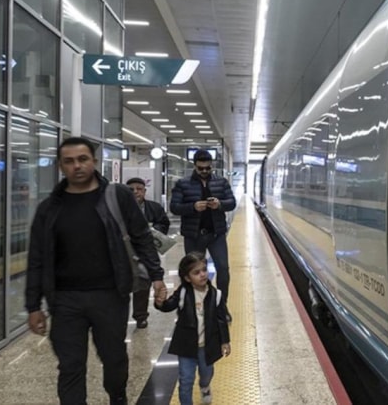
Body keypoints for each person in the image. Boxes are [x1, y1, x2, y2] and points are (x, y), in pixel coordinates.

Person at [25, 137, 168, 405]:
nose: (77, 166)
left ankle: (117, 396)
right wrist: (33, 306)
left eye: (82, 159)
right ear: (61, 166)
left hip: (110, 295)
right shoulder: (49, 208)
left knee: (113, 358)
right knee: (70, 365)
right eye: (69, 161)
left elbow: (142, 237)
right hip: (65, 300)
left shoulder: (117, 196)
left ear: (94, 161)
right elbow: (37, 258)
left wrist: (157, 276)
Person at [155, 254, 231, 405]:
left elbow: (221, 320)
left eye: (204, 270)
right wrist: (160, 302)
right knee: (186, 380)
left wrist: (225, 341)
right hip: (186, 346)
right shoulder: (183, 292)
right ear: (187, 278)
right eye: (196, 272)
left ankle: (204, 386)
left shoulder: (216, 295)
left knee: (207, 373)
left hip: (207, 346)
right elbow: (169, 305)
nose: (202, 274)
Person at [170, 150, 236, 321]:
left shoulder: (221, 182)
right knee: (194, 271)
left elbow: (232, 203)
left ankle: (221, 307)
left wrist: (219, 204)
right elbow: (174, 207)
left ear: (211, 165)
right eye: (201, 168)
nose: (205, 171)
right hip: (193, 236)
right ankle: (195, 306)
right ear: (194, 166)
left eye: (208, 168)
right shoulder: (183, 184)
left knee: (223, 269)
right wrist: (193, 207)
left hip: (216, 235)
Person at [126, 176, 171, 329]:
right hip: (124, 251)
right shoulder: (119, 209)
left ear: (144, 191)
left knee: (143, 283)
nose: (135, 192)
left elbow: (164, 223)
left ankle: (140, 316)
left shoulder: (154, 208)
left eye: (139, 189)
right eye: (131, 190)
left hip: (146, 251)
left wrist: (154, 230)